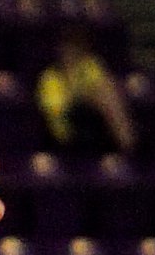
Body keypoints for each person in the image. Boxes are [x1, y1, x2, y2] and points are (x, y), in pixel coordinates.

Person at [34, 22, 137, 155]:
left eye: (76, 49)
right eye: (67, 49)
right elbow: (56, 114)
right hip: (64, 134)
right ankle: (128, 144)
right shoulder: (50, 77)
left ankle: (126, 143)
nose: (70, 54)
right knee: (101, 98)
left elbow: (106, 91)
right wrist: (84, 98)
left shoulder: (89, 66)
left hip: (93, 128)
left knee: (107, 93)